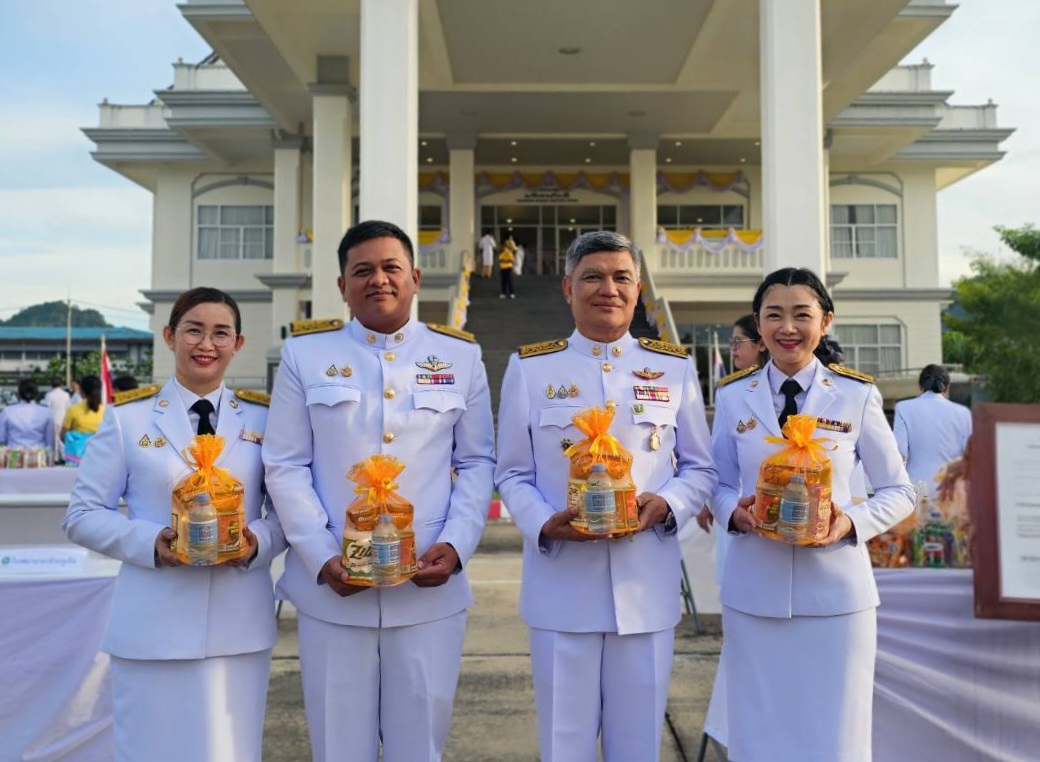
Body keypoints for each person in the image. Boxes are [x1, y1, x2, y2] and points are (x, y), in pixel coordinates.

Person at [263, 219, 495, 762]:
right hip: (332, 590)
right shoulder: (306, 355)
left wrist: (458, 546)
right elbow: (285, 464)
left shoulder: (459, 357)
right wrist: (320, 557)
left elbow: (477, 460)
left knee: (420, 747)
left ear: (414, 278)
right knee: (339, 746)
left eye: (392, 268)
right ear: (341, 285)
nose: (379, 280)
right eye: (362, 270)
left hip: (427, 589)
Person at [495, 230, 717, 762]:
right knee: (563, 743)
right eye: (592, 277)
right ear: (568, 287)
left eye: (621, 277)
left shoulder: (674, 366)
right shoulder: (530, 368)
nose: (607, 289)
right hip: (561, 588)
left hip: (645, 588)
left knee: (638, 744)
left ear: (638, 289)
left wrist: (666, 504)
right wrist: (546, 522)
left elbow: (700, 468)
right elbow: (510, 473)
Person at [63, 287, 286, 762]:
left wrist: (255, 544)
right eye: (194, 330)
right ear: (169, 336)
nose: (207, 343)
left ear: (238, 343)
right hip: (151, 626)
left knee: (231, 752)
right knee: (150, 750)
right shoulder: (128, 418)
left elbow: (285, 515)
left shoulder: (266, 419)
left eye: (220, 332)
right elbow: (82, 515)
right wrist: (151, 543)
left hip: (237, 625)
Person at [710, 267, 914, 762]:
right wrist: (732, 514)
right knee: (757, 735)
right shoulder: (733, 394)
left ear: (826, 322)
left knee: (835, 739)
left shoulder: (856, 394)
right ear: (758, 327)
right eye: (773, 315)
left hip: (837, 600)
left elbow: (899, 490)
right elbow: (716, 483)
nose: (787, 328)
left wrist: (850, 524)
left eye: (802, 315)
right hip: (753, 593)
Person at [893, 364, 972, 495]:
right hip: (950, 489)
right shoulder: (963, 413)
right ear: (946, 387)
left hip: (917, 489)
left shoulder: (903, 408)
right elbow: (969, 454)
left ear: (920, 386)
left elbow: (899, 451)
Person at [61, 375, 105, 466]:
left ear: (82, 391)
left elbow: (63, 435)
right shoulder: (107, 411)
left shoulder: (73, 410)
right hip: (101, 458)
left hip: (77, 459)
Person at [0, 379, 54, 449]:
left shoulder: (7, 411)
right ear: (36, 393)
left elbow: (2, 438)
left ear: (19, 393)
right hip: (39, 455)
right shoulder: (47, 412)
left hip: (14, 454)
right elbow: (50, 440)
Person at [44, 378, 71, 460]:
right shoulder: (66, 395)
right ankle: (63, 456)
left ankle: (55, 458)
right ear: (61, 385)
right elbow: (68, 408)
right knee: (62, 439)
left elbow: (47, 408)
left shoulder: (49, 395)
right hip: (63, 419)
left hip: (53, 419)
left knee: (54, 440)